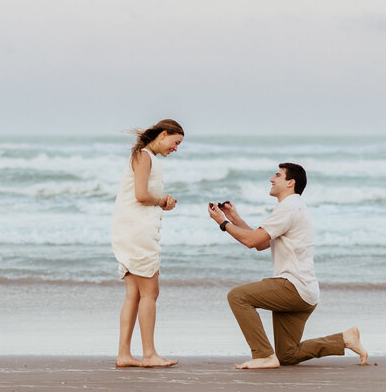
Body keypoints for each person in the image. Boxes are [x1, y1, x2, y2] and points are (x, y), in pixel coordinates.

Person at [208, 162, 369, 369]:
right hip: (306, 293)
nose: (271, 179)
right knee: (287, 355)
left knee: (238, 296)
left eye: (277, 175)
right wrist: (235, 219)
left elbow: (251, 241)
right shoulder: (294, 207)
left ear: (290, 183)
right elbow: (261, 243)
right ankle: (344, 339)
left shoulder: (289, 208)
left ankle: (263, 355)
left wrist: (223, 223)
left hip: (293, 287)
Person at [112, 118, 183, 368]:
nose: (175, 149)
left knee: (134, 294)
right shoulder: (144, 156)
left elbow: (140, 196)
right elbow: (141, 196)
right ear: (163, 134)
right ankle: (149, 354)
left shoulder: (143, 156)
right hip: (137, 232)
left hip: (128, 230)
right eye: (175, 142)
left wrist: (162, 203)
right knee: (150, 293)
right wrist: (163, 200)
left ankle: (124, 354)